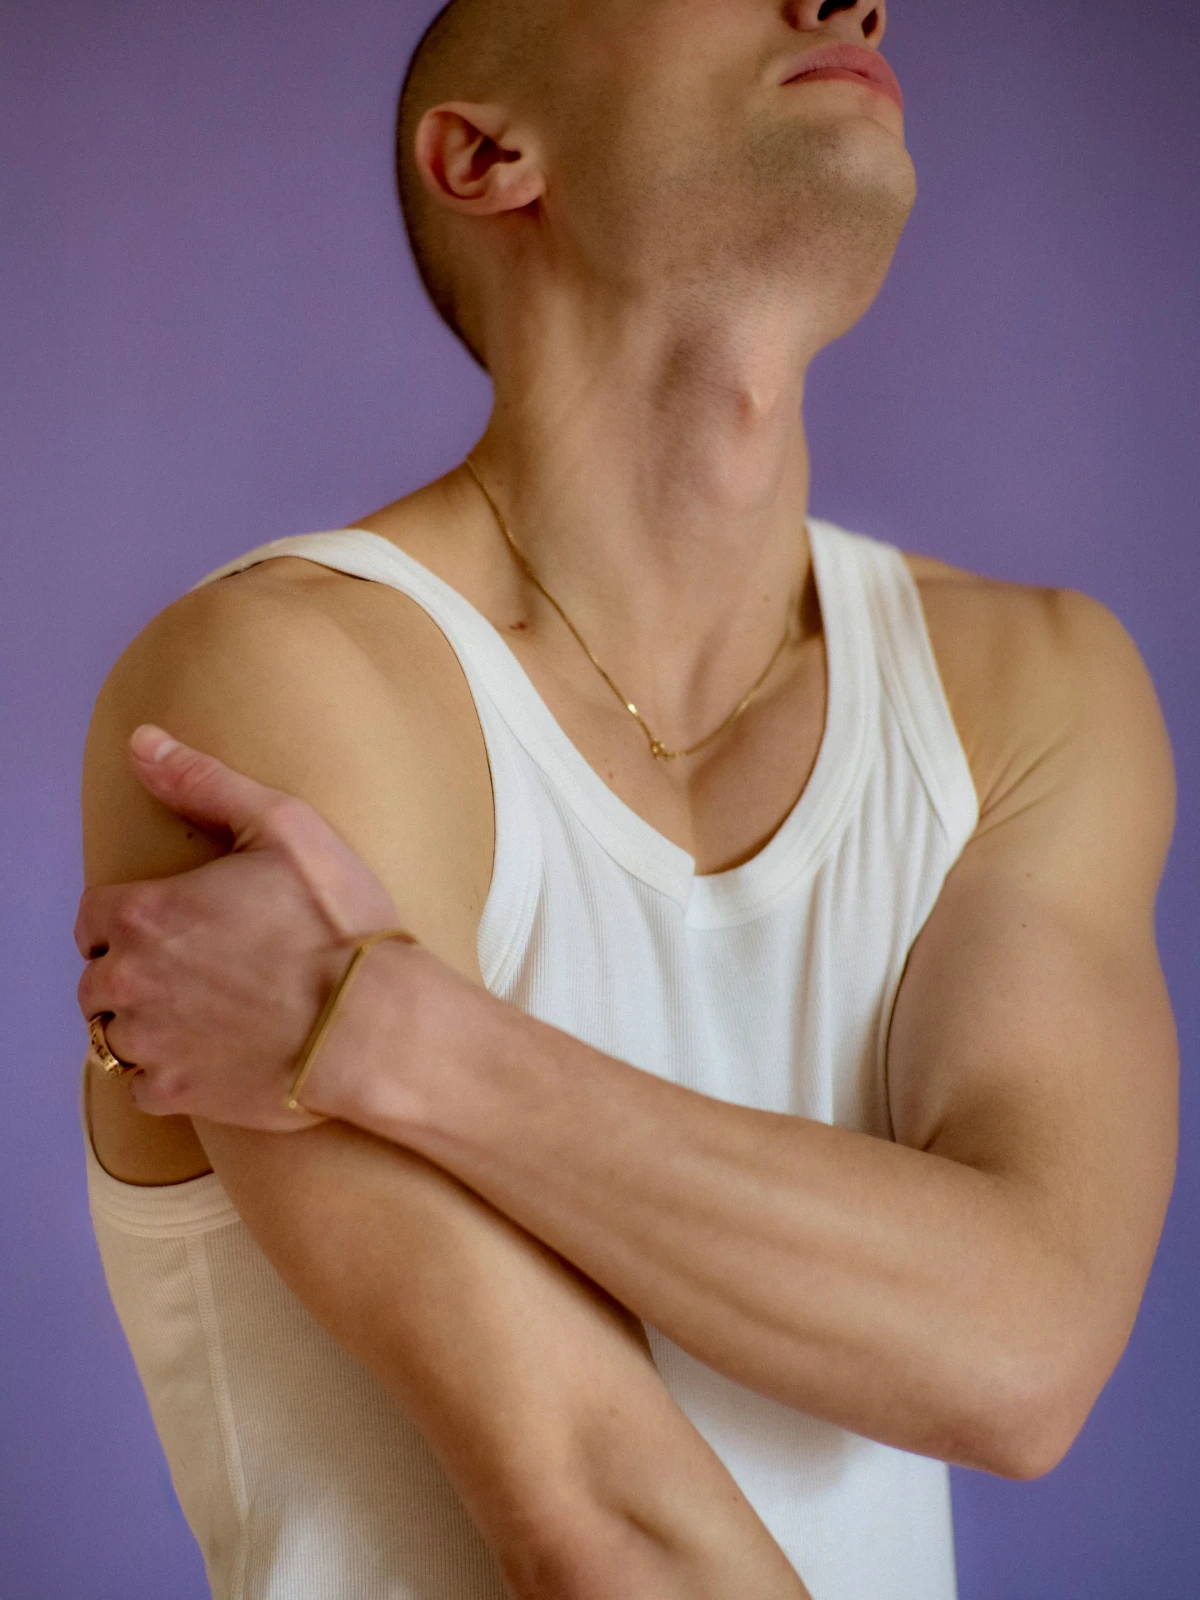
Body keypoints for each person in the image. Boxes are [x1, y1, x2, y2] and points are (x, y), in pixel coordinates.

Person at [74, 1, 1179, 1597]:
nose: (850, 3)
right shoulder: (284, 673)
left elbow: (1022, 1354)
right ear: (484, 156)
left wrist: (389, 1034)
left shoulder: (1040, 688)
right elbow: (599, 1519)